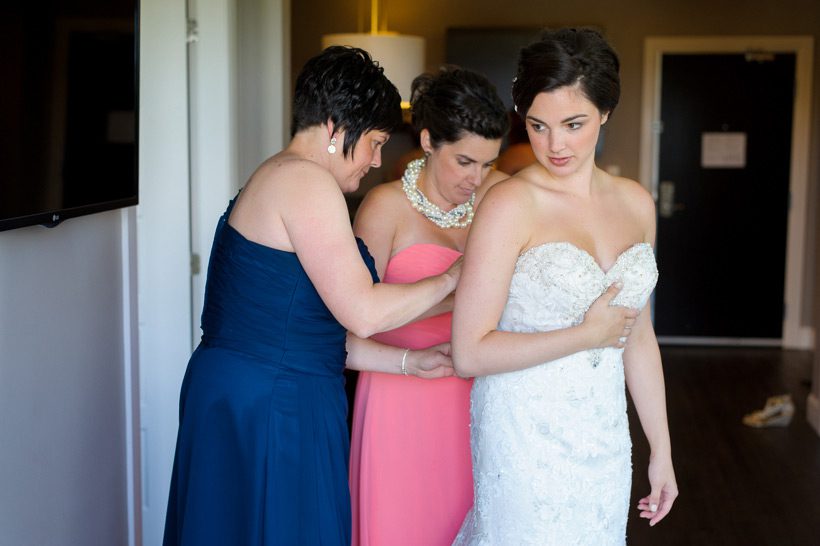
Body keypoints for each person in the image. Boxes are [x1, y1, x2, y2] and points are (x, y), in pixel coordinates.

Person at [162, 46, 462, 546]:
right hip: (271, 404)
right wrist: (456, 277)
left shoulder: (278, 175)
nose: (376, 160)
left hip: (251, 391)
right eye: (374, 142)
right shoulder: (306, 183)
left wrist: (409, 362)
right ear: (334, 127)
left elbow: (307, 335)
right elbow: (363, 312)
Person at [451, 28, 678, 544]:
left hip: (602, 437)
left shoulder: (636, 203)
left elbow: (637, 335)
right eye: (537, 126)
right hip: (524, 436)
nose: (554, 145)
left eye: (573, 124)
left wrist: (660, 451)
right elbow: (469, 352)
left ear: (605, 112)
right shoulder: (509, 205)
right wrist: (585, 335)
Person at [347, 67, 509, 546]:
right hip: (397, 390)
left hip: (476, 391)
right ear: (427, 141)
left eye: (488, 163)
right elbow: (351, 318)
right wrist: (457, 297)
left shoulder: (499, 197)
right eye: (464, 161)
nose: (476, 178)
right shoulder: (384, 208)